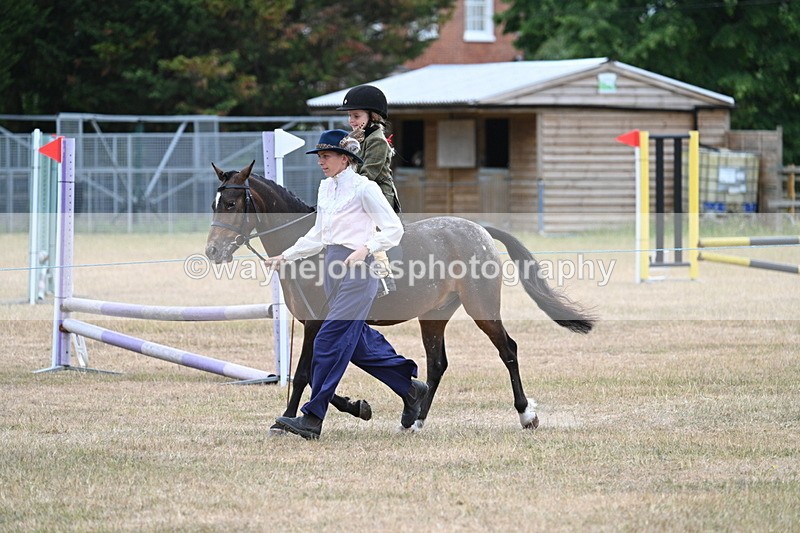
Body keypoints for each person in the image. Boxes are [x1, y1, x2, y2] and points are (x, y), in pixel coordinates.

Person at [265, 129, 428, 440]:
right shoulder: (326, 188)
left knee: (326, 340)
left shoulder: (364, 188)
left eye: (326, 157)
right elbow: (317, 235)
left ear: (345, 159)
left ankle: (313, 419)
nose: (321, 162)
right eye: (320, 157)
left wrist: (367, 247)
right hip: (332, 269)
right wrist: (285, 256)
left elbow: (393, 228)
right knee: (357, 345)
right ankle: (410, 388)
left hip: (359, 271)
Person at [337, 84, 400, 296]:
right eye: (350, 116)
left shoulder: (377, 141)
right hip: (357, 191)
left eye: (356, 115)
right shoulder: (357, 137)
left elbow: (367, 175)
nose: (351, 121)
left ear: (372, 116)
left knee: (369, 231)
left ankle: (384, 277)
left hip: (378, 194)